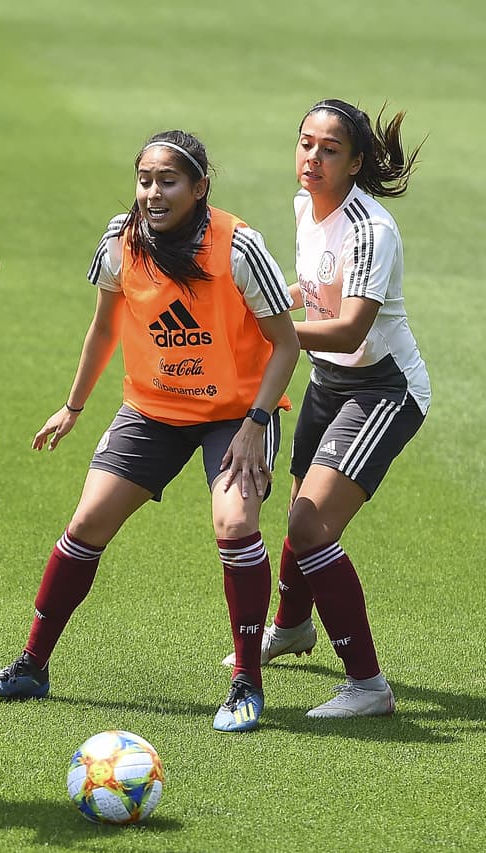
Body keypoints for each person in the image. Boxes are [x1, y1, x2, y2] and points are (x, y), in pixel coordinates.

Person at [0, 130, 299, 734]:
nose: (153, 192)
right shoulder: (121, 242)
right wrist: (72, 406)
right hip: (152, 409)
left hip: (236, 414)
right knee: (87, 522)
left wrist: (257, 422)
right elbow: (103, 329)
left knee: (235, 523)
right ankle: (31, 666)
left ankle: (246, 682)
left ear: (200, 188)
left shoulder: (239, 247)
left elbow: (286, 343)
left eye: (168, 181)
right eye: (145, 180)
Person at [221, 99, 428, 718]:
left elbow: (346, 330)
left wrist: (266, 326)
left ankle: (368, 685)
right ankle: (292, 627)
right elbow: (310, 295)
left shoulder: (371, 229)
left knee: (312, 527)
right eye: (305, 143)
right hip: (330, 383)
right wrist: (265, 304)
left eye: (329, 149)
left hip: (384, 388)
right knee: (298, 514)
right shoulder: (304, 208)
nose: (311, 158)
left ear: (356, 162)